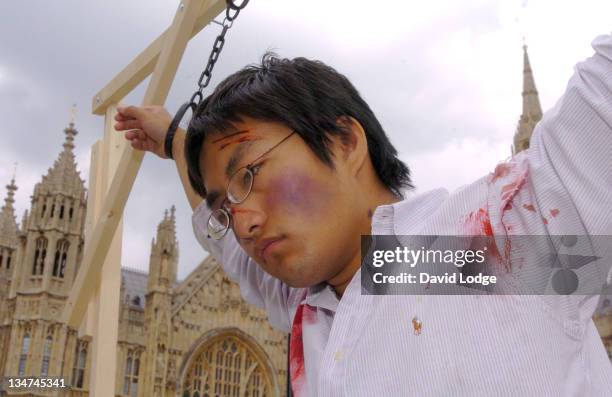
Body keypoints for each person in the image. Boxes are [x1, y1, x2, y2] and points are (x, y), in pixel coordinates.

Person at [115, 34, 612, 396]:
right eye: (226, 205)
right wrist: (177, 140)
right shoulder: (310, 305)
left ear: (345, 141)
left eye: (249, 174)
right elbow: (217, 233)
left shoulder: (499, 249)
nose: (242, 224)